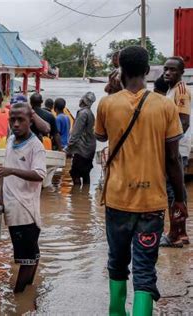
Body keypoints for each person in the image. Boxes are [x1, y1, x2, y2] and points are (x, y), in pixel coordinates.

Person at [95, 46, 186, 315]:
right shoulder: (165, 105)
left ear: (120, 70)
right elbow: (173, 159)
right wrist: (179, 198)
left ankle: (116, 313)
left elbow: (100, 137)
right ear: (148, 71)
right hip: (151, 204)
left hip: (117, 201)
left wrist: (112, 92)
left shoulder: (107, 103)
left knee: (117, 264)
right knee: (145, 270)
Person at [0, 102, 46, 293]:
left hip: (25, 210)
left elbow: (40, 174)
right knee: (31, 254)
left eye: (20, 120)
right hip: (12, 208)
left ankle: (18, 297)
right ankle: (30, 292)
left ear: (30, 121)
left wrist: (12, 170)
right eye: (12, 120)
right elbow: (4, 173)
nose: (15, 124)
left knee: (27, 258)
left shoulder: (35, 146)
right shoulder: (11, 140)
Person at [160, 56, 191, 247]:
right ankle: (182, 233)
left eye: (172, 70)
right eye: (166, 69)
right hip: (176, 147)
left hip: (177, 148)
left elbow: (184, 121)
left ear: (181, 73)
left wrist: (171, 145)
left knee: (173, 191)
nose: (168, 73)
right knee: (178, 191)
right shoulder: (170, 90)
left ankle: (174, 234)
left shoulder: (180, 90)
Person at [65, 92, 96, 185]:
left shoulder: (82, 113)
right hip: (90, 148)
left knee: (75, 174)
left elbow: (75, 133)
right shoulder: (90, 113)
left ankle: (76, 196)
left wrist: (69, 149)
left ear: (82, 100)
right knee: (86, 173)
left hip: (81, 149)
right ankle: (85, 196)